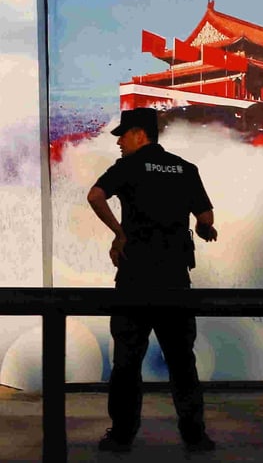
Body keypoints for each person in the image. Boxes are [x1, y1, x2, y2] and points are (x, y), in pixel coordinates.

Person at [87, 107, 219, 453]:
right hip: (175, 280)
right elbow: (205, 216)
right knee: (182, 361)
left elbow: (94, 196)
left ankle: (121, 436)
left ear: (140, 135)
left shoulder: (127, 167)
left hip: (135, 279)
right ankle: (195, 436)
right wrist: (204, 229)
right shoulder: (185, 168)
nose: (119, 143)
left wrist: (119, 233)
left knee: (127, 362)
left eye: (123, 135)